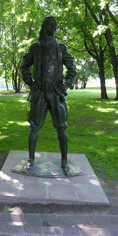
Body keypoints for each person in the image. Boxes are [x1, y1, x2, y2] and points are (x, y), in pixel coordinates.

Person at [20, 16, 77, 176]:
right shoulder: (35, 48)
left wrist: (66, 84)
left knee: (62, 127)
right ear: (44, 27)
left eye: (55, 25)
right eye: (50, 24)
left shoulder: (61, 48)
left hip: (56, 93)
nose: (53, 27)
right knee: (34, 127)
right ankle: (31, 160)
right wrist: (30, 83)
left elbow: (72, 67)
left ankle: (64, 161)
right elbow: (24, 67)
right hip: (39, 93)